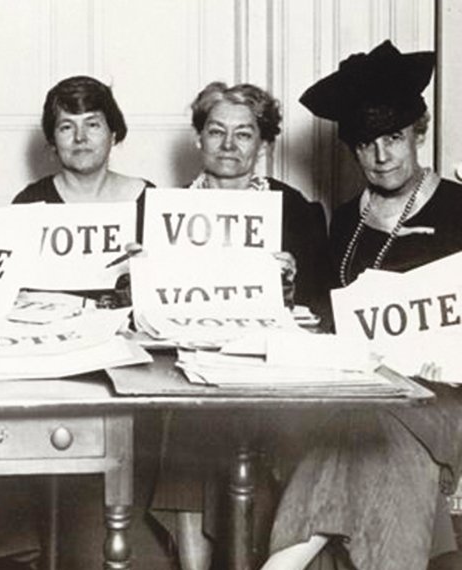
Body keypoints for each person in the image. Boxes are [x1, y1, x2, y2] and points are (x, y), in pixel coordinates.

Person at [263, 40, 462, 570]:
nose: (382, 156)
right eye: (367, 143)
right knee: (362, 431)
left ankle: (285, 561)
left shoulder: (460, 207)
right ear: (353, 149)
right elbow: (330, 316)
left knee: (366, 432)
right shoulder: (347, 219)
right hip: (365, 392)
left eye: (394, 138)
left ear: (418, 134)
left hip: (442, 395)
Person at [149, 82, 332, 570]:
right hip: (189, 362)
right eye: (216, 131)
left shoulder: (295, 211)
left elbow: (322, 311)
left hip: (271, 367)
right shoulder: (161, 211)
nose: (229, 146)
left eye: (244, 134)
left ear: (264, 145)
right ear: (198, 139)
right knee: (186, 427)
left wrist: (291, 284)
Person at [13, 75, 153, 309]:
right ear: (52, 141)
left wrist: (149, 270)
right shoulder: (30, 204)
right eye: (67, 127)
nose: (80, 138)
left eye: (93, 124)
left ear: (114, 134)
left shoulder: (148, 199)